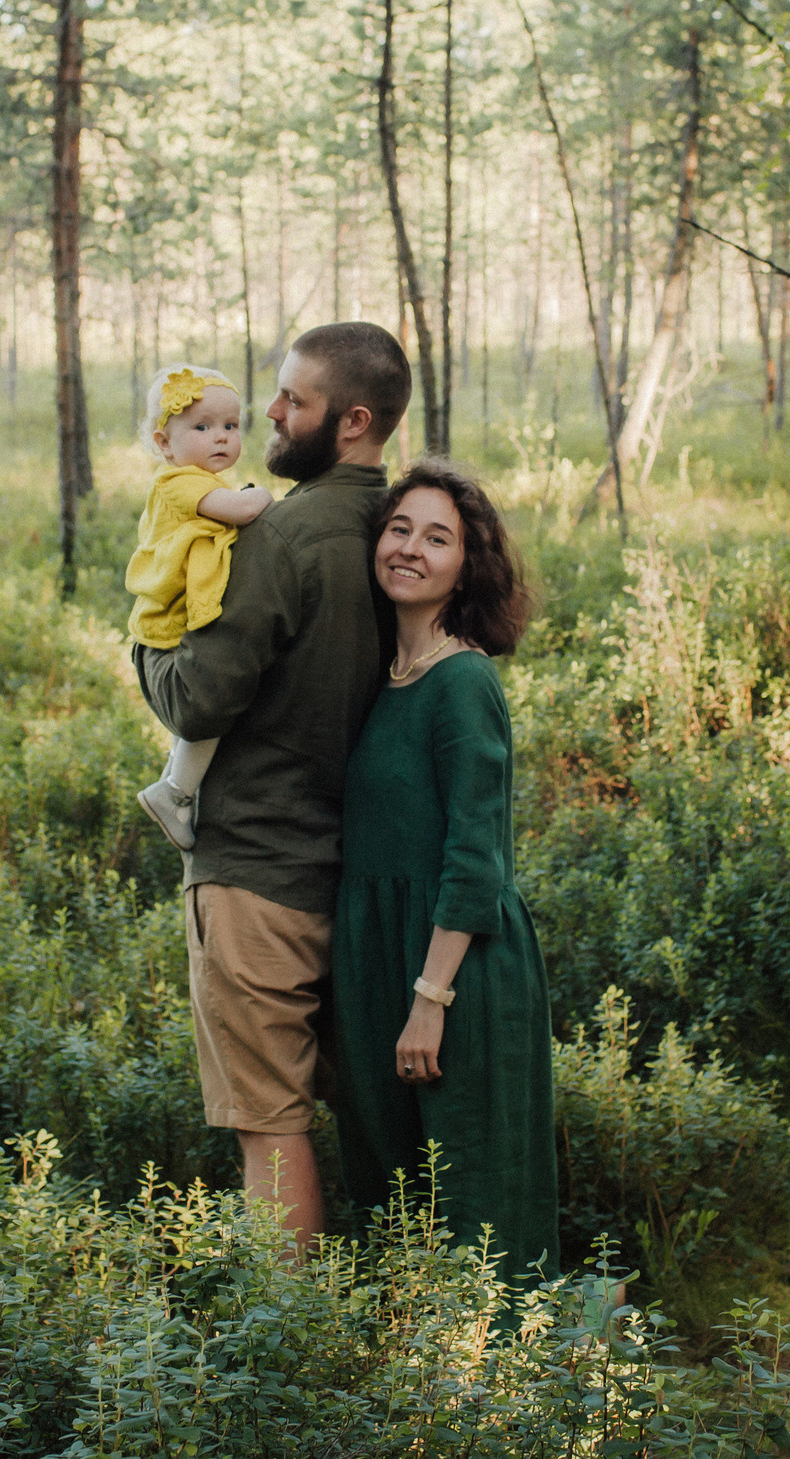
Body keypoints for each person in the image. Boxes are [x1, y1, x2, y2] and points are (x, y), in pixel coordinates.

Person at [133, 321, 411, 1261]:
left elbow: (199, 691)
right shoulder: (406, 530)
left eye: (293, 399)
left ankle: (294, 1344)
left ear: (353, 419)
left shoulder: (285, 536)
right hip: (369, 877)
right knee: (376, 1114)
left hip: (259, 876)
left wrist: (144, 642)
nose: (272, 414)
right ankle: (406, 1298)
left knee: (272, 1122)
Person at [332, 460, 558, 1282]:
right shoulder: (377, 677)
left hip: (455, 969)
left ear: (468, 565)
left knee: (472, 1193)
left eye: (438, 538)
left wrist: (430, 1001)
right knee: (391, 1189)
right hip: (377, 959)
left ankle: (501, 1392)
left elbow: (476, 858)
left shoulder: (463, 682)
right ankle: (405, 1387)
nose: (411, 550)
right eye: (399, 530)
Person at [124, 365, 274, 850]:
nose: (221, 438)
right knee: (211, 705)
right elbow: (245, 511)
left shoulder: (199, 482)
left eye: (230, 427)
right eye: (202, 427)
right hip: (166, 630)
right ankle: (174, 792)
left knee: (207, 707)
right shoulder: (179, 483)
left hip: (175, 625)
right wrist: (264, 494)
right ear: (164, 443)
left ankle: (175, 788)